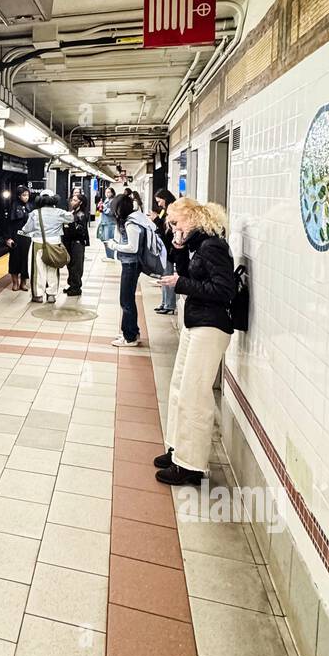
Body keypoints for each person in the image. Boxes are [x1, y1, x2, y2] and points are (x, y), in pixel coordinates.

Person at [154, 198, 236, 486]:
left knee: (195, 395)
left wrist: (182, 285)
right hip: (196, 322)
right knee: (178, 388)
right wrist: (177, 250)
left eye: (176, 223)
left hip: (210, 326)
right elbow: (187, 276)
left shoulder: (213, 246)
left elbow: (224, 290)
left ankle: (191, 465)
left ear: (192, 217)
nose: (174, 228)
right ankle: (178, 448)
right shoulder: (198, 245)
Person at [106, 191, 158, 347]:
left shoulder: (131, 223)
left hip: (131, 264)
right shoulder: (134, 218)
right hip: (130, 264)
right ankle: (131, 331)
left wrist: (114, 246)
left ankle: (130, 337)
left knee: (126, 300)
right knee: (127, 299)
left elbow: (132, 247)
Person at [18, 191, 74, 303]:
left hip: (38, 244)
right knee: (53, 269)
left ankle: (38, 295)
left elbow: (27, 229)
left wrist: (23, 232)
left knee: (38, 270)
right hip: (55, 244)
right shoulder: (59, 212)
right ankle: (51, 295)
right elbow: (71, 218)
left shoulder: (35, 213)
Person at [152, 188, 178, 315]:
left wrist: (156, 220)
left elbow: (167, 232)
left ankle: (169, 304)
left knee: (167, 276)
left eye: (159, 201)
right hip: (164, 248)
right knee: (164, 277)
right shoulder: (164, 211)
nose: (159, 204)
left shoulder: (171, 212)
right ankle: (164, 302)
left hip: (169, 249)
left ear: (165, 198)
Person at [4, 185, 33, 292]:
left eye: (27, 195)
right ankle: (15, 283)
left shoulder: (30, 206)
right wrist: (8, 238)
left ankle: (23, 283)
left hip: (27, 237)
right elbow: (8, 224)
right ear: (19, 196)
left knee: (26, 260)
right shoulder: (13, 206)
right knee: (14, 260)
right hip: (15, 237)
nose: (26, 197)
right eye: (24, 195)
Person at [62, 190, 90, 296]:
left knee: (76, 265)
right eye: (72, 200)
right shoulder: (73, 213)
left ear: (80, 202)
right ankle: (72, 285)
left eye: (74, 200)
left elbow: (80, 231)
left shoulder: (81, 215)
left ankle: (76, 287)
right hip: (70, 242)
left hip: (77, 243)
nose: (71, 202)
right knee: (70, 264)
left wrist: (69, 225)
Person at [99, 186, 117, 260]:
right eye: (106, 192)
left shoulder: (113, 201)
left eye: (109, 192)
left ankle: (110, 256)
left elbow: (111, 212)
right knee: (105, 240)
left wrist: (103, 208)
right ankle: (108, 255)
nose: (107, 193)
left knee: (109, 240)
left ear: (112, 193)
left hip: (110, 223)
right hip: (105, 222)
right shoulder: (107, 200)